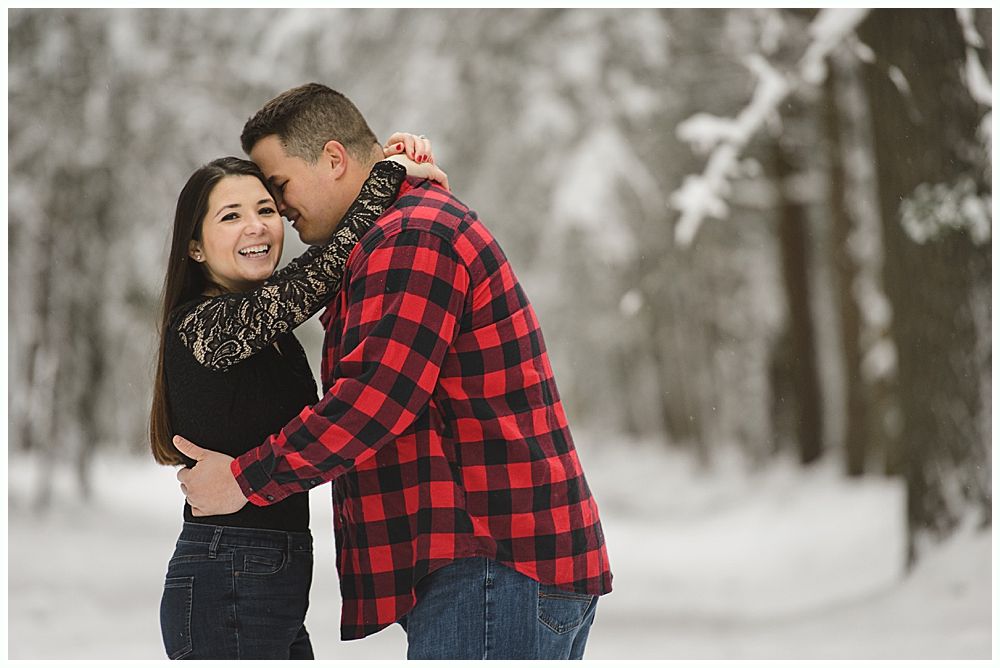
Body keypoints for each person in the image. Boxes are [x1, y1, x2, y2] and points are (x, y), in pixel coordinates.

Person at [175, 83, 613, 660]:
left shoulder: (412, 236)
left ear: (333, 160)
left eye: (277, 189)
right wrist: (386, 178)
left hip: (491, 562)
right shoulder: (392, 235)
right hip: (487, 565)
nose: (277, 210)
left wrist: (245, 479)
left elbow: (376, 398)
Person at [151, 135, 445, 660]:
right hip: (229, 574)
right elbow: (314, 279)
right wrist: (383, 176)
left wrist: (394, 164)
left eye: (266, 209)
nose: (257, 226)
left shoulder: (267, 333)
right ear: (194, 247)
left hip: (266, 575)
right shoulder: (200, 328)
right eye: (230, 216)